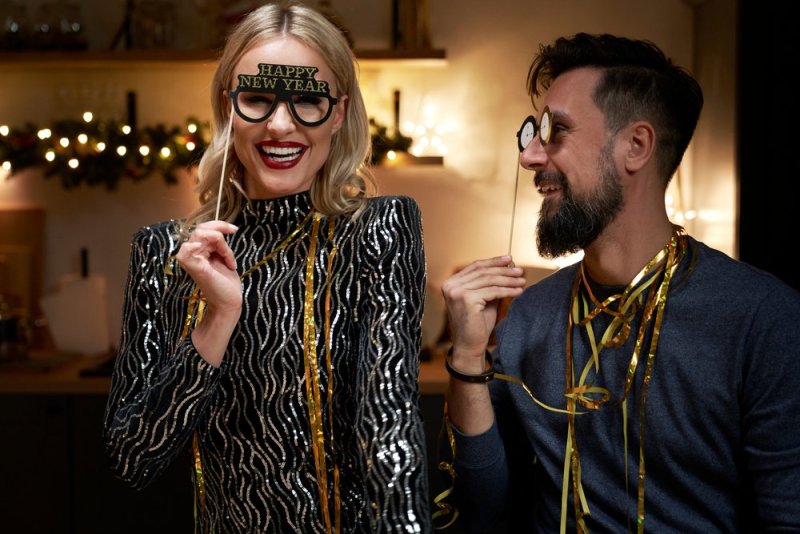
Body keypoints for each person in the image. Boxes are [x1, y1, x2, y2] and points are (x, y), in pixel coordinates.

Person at [438, 32, 800, 533]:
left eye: (556, 131)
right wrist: (467, 358)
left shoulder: (763, 318)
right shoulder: (529, 316)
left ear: (636, 146)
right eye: (533, 133)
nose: (529, 158)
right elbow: (479, 511)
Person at [103, 2, 431, 532]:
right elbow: (131, 460)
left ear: (340, 112)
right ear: (229, 107)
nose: (281, 125)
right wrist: (216, 320)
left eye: (307, 101)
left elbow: (389, 428)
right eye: (257, 99)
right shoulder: (165, 253)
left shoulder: (379, 228)